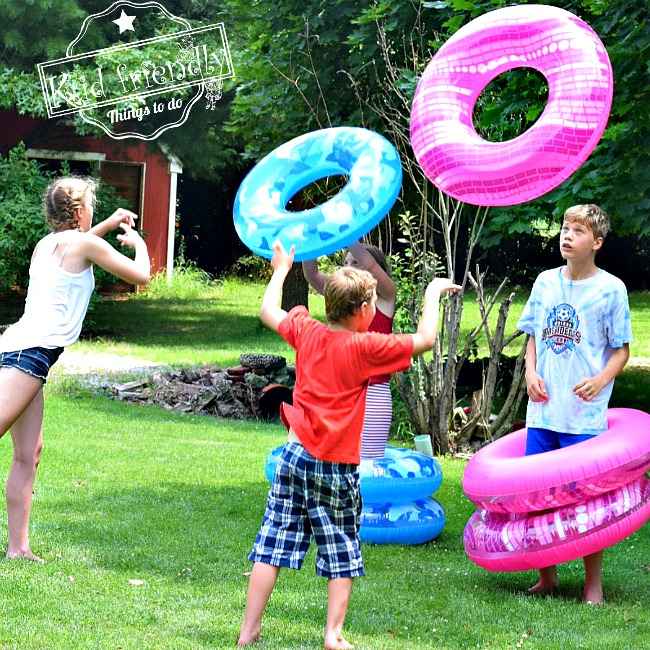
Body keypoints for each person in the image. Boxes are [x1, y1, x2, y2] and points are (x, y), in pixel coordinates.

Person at [238, 240, 460, 649]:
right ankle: (333, 634)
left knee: (272, 544)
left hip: (293, 456)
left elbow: (268, 311)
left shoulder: (307, 330)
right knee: (341, 548)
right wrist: (432, 293)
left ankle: (248, 630)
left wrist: (281, 268)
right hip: (335, 467)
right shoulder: (366, 348)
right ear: (363, 311)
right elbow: (426, 339)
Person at [0, 176, 151, 562]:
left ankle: (18, 548)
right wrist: (140, 245)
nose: (94, 210)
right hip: (27, 356)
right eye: (92, 205)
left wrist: (106, 224)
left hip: (23, 352)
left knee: (29, 453)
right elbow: (142, 277)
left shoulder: (48, 245)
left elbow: (83, 248)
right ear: (79, 211)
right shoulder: (82, 244)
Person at [517, 204, 631, 604]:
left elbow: (621, 352)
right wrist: (531, 373)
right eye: (565, 228)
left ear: (596, 242)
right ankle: (546, 576)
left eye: (578, 230)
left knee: (586, 504)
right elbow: (532, 336)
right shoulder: (545, 282)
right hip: (543, 412)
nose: (567, 235)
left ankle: (592, 585)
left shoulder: (611, 289)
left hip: (583, 417)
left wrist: (600, 381)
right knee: (537, 497)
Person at [302, 242, 396, 459]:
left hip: (373, 395)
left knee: (369, 466)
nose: (348, 267)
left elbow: (371, 267)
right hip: (339, 392)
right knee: (335, 462)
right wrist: (311, 238)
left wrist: (346, 235)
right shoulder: (343, 299)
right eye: (345, 263)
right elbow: (311, 273)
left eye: (355, 262)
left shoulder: (385, 298)